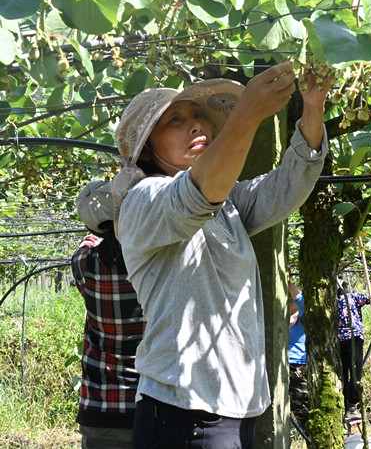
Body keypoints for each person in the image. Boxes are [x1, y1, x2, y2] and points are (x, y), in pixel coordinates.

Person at [111, 61, 330, 449]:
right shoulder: (142, 200)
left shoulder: (227, 206)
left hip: (234, 407)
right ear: (146, 148)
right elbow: (194, 197)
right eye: (175, 120)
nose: (196, 125)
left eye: (200, 116)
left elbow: (285, 187)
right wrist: (246, 114)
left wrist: (312, 110)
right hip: (183, 412)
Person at [71, 180, 145, 449]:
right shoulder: (151, 259)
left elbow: (91, 240)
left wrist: (96, 227)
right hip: (153, 405)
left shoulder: (83, 262)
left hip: (99, 407)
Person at [337, 278, 371, 419]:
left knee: (345, 371)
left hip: (342, 339)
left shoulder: (333, 302)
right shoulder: (353, 297)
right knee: (355, 370)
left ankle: (348, 403)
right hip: (353, 337)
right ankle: (350, 404)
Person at [288, 279, 310, 437]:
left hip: (298, 366)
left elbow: (301, 299)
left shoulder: (302, 314)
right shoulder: (282, 317)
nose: (289, 302)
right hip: (285, 366)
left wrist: (287, 281)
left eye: (290, 300)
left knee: (303, 409)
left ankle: (312, 440)